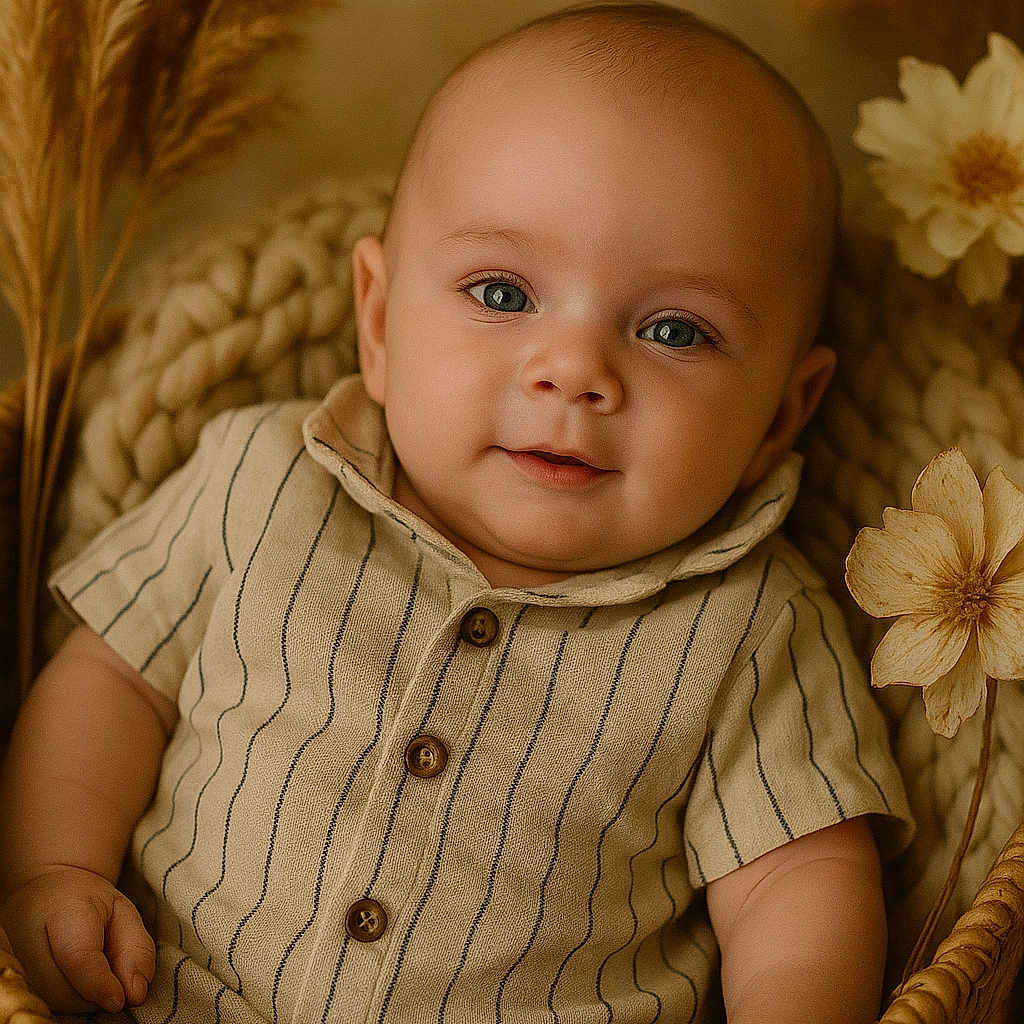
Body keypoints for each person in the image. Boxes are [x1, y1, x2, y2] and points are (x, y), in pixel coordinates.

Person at [0, 3, 914, 1022]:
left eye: (672, 329)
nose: (572, 371)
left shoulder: (751, 627)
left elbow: (796, 878)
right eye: (501, 292)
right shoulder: (259, 481)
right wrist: (56, 869)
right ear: (380, 322)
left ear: (778, 415)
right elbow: (111, 677)